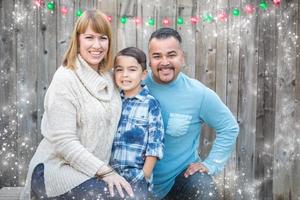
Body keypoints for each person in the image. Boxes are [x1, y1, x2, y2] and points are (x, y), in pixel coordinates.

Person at [20, 10, 134, 200]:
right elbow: (65, 143)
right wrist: (106, 172)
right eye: (89, 37)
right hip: (55, 170)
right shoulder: (65, 79)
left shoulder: (109, 76)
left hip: (92, 171)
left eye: (102, 38)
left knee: (136, 192)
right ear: (78, 40)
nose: (97, 45)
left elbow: (136, 82)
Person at [144, 27, 240, 200]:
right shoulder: (136, 87)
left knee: (203, 188)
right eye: (157, 56)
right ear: (149, 60)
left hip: (179, 182)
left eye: (171, 55)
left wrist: (210, 164)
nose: (164, 62)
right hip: (137, 183)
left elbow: (229, 127)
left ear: (182, 57)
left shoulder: (198, 94)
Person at [110, 47, 165, 199]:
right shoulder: (113, 101)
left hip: (136, 178)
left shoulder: (150, 104)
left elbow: (155, 146)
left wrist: (143, 175)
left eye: (132, 69)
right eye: (119, 70)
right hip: (110, 176)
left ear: (143, 74)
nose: (125, 75)